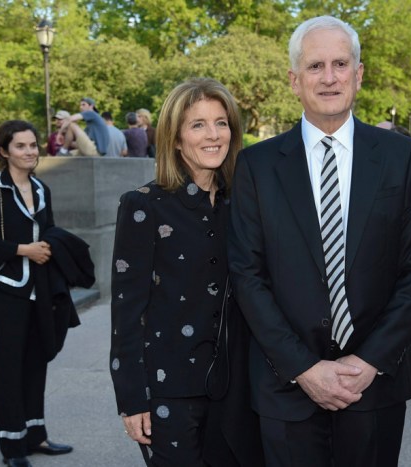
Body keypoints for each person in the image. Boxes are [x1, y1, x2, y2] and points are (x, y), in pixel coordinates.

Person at [227, 16, 411, 466]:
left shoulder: (401, 158)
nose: (328, 77)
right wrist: (303, 367)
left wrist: (370, 361)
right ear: (293, 80)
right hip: (286, 386)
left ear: (358, 74)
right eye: (315, 66)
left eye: (340, 64)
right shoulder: (256, 166)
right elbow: (247, 274)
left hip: (375, 383)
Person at [110, 78, 263, 467]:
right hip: (168, 390)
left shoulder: (245, 203)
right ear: (175, 139)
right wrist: (131, 399)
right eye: (198, 125)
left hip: (238, 388)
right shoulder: (144, 206)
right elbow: (126, 312)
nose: (213, 135)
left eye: (221, 122)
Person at [0, 120, 90, 467]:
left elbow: (47, 230)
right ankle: (12, 447)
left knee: (37, 362)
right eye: (21, 146)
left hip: (40, 289)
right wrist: (23, 250)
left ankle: (36, 435)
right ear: (4, 151)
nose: (30, 152)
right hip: (7, 291)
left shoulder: (40, 188)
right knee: (8, 369)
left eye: (34, 145)